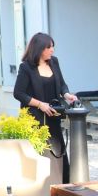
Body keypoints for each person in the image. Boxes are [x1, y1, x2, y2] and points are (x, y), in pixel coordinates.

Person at [13, 32, 78, 184]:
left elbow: (62, 83)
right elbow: (18, 93)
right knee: (41, 154)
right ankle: (41, 187)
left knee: (57, 151)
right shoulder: (26, 67)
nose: (52, 50)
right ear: (39, 49)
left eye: (53, 47)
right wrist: (40, 104)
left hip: (53, 115)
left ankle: (61, 186)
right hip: (35, 118)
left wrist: (67, 94)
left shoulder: (54, 62)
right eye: (49, 47)